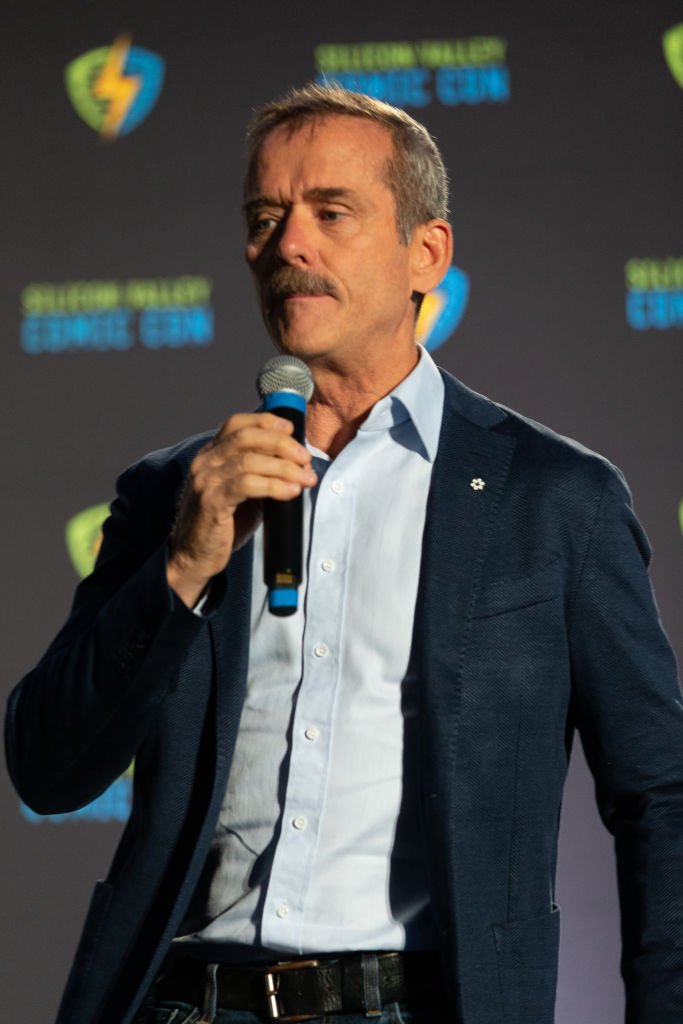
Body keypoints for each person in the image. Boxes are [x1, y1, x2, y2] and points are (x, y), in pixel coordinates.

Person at [5, 85, 683, 1024]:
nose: (288, 244)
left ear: (426, 253)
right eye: (265, 217)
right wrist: (184, 567)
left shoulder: (553, 500)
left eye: (331, 212)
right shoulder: (175, 494)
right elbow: (48, 767)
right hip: (183, 1003)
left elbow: (660, 796)